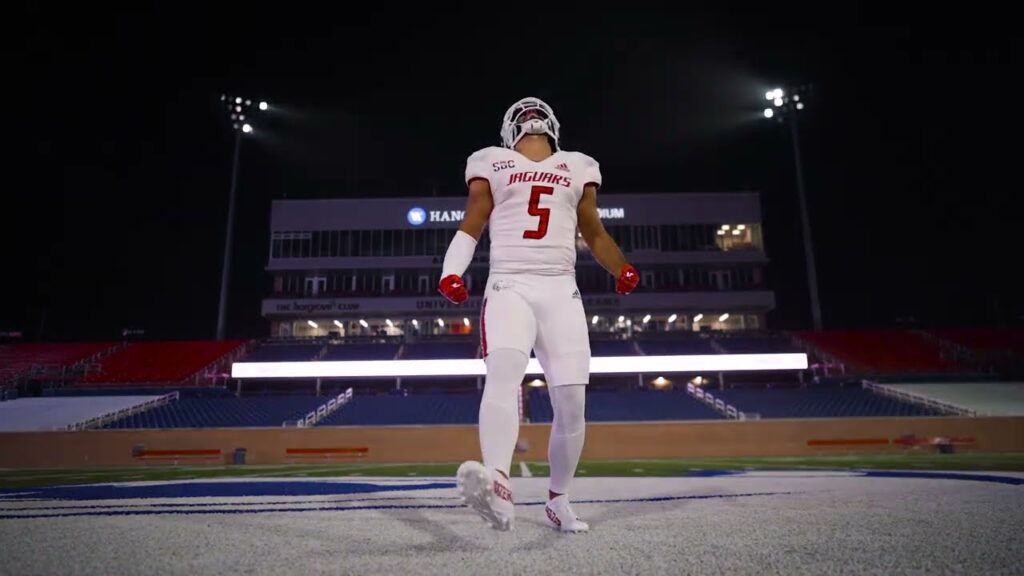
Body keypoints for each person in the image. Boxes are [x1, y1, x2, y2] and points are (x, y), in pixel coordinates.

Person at [437, 96, 639, 533]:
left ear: (553, 125)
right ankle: (498, 483)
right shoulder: (492, 161)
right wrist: (450, 272)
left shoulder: (579, 164)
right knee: (504, 371)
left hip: (560, 287)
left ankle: (558, 501)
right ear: (509, 130)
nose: (530, 113)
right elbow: (474, 220)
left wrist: (621, 266)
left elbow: (593, 229)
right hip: (509, 282)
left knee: (572, 403)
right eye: (521, 112)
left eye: (536, 111)